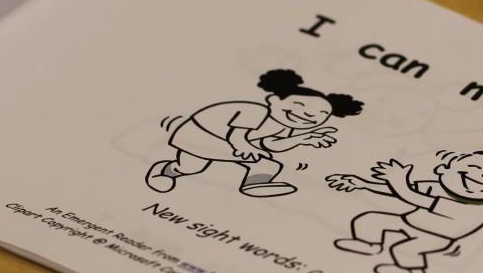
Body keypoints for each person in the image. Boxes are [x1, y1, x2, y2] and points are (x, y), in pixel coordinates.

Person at [147, 69, 363, 197]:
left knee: (269, 163)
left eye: (321, 114)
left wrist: (300, 139)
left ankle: (256, 185)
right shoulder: (254, 111)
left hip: (229, 145)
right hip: (202, 136)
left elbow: (272, 145)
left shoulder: (284, 126)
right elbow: (237, 135)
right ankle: (164, 171)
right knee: (191, 167)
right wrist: (245, 147)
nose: (307, 115)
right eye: (299, 105)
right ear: (274, 100)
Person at [327, 149, 483, 273]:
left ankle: (412, 270)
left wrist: (398, 180)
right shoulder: (437, 187)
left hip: (436, 237)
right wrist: (363, 184)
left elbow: (413, 197)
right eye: (473, 170)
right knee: (369, 219)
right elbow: (399, 192)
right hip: (407, 222)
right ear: (442, 170)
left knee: (405, 249)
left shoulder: (476, 207)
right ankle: (369, 244)